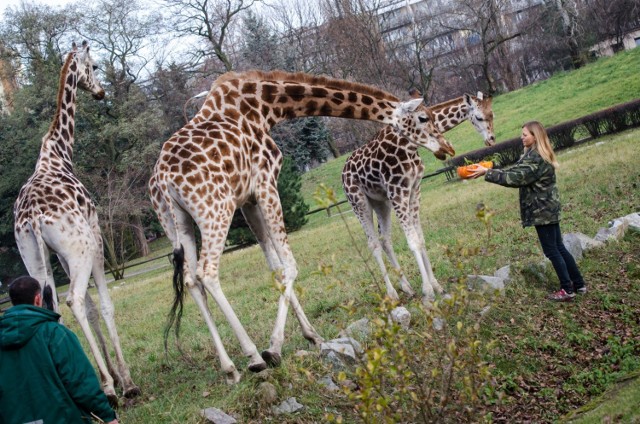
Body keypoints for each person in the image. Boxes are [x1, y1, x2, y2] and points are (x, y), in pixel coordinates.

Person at [470, 121, 586, 302]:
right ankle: (578, 284)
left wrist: (487, 173)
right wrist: (490, 169)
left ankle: (567, 288)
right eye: (522, 134)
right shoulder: (534, 154)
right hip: (548, 207)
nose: (521, 137)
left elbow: (514, 178)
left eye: (525, 134)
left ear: (535, 136)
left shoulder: (536, 157)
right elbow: (516, 171)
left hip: (542, 210)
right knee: (559, 247)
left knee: (552, 251)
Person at [0, 276, 119, 424]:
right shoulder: (55, 334)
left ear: (13, 302)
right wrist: (107, 415)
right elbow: (80, 382)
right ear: (38, 299)